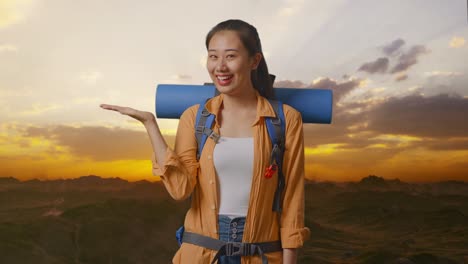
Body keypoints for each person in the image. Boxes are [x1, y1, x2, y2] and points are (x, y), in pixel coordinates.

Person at [100, 19, 309, 264]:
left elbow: (293, 197)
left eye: (230, 56)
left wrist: (290, 259)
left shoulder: (285, 119)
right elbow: (180, 189)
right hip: (200, 253)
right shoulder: (196, 117)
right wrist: (150, 124)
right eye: (213, 56)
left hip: (261, 253)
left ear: (254, 61)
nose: (220, 67)